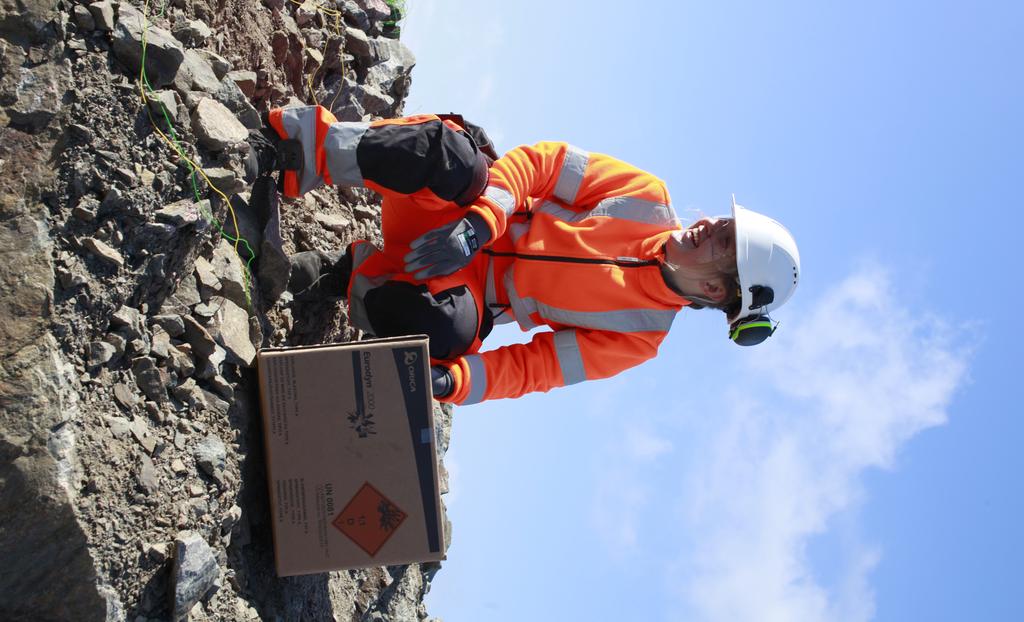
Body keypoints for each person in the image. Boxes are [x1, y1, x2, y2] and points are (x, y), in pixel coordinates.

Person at [247, 105, 801, 406]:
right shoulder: (648, 197)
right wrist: (481, 221)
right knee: (454, 158)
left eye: (723, 241)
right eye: (722, 222)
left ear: (715, 290)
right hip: (450, 215)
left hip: (449, 281)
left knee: (445, 335)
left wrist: (458, 383)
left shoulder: (640, 336)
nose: (709, 225)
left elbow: (537, 368)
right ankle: (297, 150)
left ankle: (349, 277)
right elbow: (544, 162)